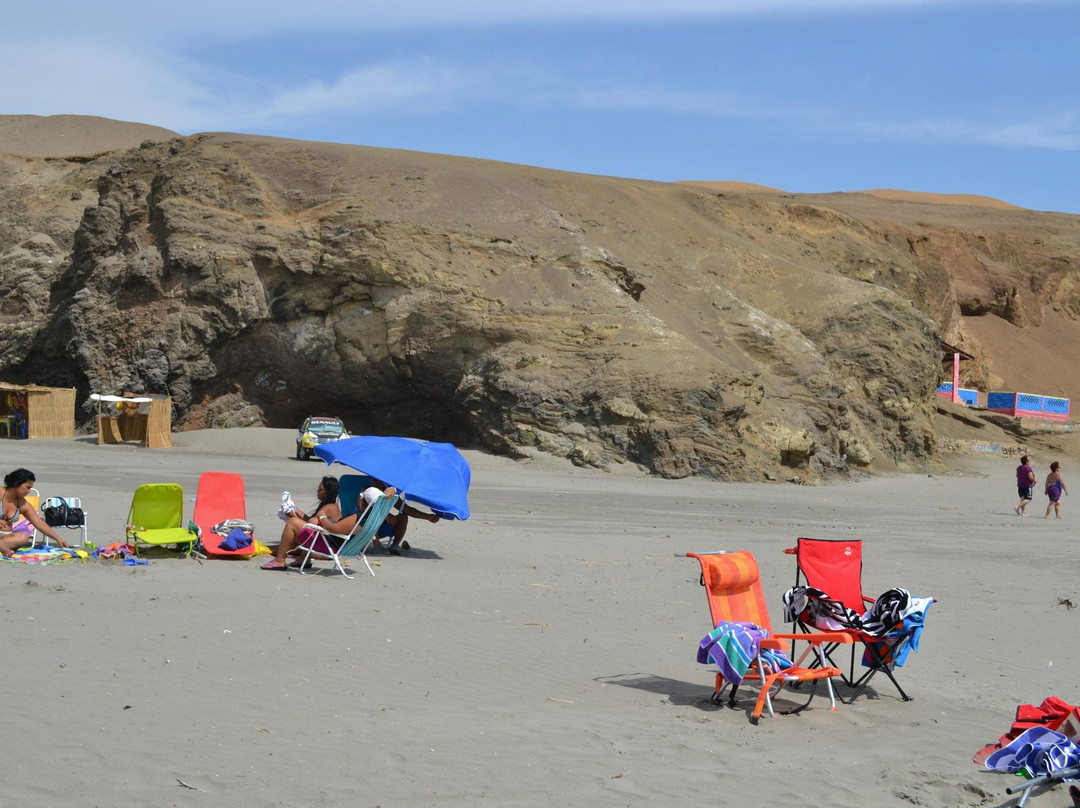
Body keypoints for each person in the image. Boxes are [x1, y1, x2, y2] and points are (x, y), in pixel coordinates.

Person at [319, 479, 440, 557]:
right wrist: (385, 514)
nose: (374, 481)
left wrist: (427, 517)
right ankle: (377, 545)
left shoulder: (389, 495)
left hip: (382, 525)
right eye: (374, 479)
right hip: (365, 526)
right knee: (372, 514)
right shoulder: (366, 491)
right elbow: (362, 510)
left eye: (377, 480)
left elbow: (408, 510)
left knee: (403, 516)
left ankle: (394, 545)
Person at [262, 476, 340, 570]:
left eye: (320, 490)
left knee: (292, 523)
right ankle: (304, 559)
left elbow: (310, 525)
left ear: (328, 493)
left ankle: (280, 560)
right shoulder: (331, 506)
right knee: (297, 526)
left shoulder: (329, 508)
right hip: (329, 544)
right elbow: (311, 521)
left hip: (329, 549)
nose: (317, 492)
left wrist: (292, 516)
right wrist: (294, 508)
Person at [0, 468, 68, 557]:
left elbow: (39, 523)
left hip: (5, 537)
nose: (29, 491)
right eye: (27, 487)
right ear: (16, 483)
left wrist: (58, 539)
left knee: (23, 538)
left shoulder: (23, 504)